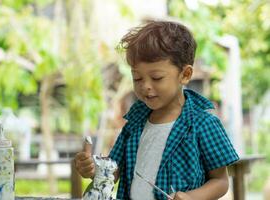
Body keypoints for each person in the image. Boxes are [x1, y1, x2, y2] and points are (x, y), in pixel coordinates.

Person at [74, 20, 239, 200]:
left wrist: (192, 197)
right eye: (137, 78)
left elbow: (221, 182)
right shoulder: (134, 124)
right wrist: (93, 170)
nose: (146, 86)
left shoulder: (203, 124)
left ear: (185, 75)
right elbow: (113, 173)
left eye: (157, 78)